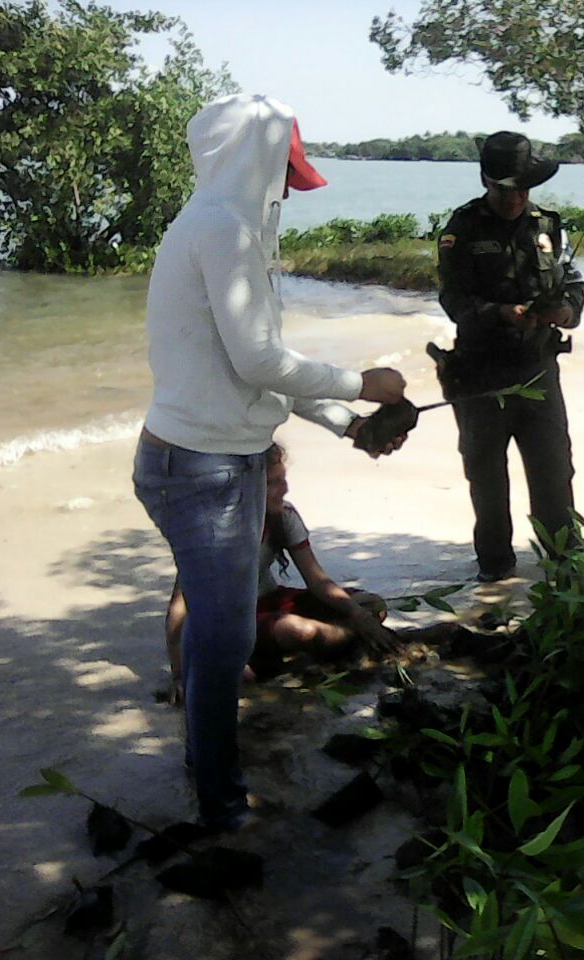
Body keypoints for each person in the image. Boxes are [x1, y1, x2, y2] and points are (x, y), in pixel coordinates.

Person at [132, 93, 410, 832]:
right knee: (222, 640)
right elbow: (260, 360)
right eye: (283, 171)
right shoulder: (222, 230)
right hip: (201, 468)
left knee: (222, 638)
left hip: (216, 459)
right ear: (253, 160)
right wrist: (362, 383)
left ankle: (210, 771)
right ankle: (221, 803)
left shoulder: (213, 225)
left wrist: (348, 425)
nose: (287, 188)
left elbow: (252, 376)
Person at [435, 131, 584, 582]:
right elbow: (453, 300)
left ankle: (564, 571)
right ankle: (495, 573)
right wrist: (500, 314)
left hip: (538, 371)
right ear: (486, 181)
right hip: (480, 377)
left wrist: (565, 312)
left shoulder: (547, 225)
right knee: (487, 481)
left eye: (523, 189)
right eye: (506, 190)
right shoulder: (462, 229)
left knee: (554, 473)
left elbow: (573, 284)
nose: (516, 198)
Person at [163, 444, 398, 703]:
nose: (284, 489)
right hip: (232, 620)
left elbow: (318, 581)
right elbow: (179, 609)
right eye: (273, 483)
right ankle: (340, 640)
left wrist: (358, 614)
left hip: (272, 600)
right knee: (299, 631)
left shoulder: (284, 516)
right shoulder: (211, 532)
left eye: (283, 479)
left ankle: (328, 642)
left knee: (373, 605)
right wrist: (179, 674)